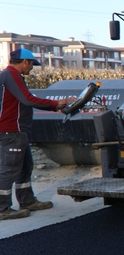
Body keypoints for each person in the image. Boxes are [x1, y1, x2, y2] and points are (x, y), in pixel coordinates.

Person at [0, 49, 75, 220]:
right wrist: (56, 103)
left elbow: (27, 99)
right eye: (32, 64)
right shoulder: (11, 75)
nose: (32, 68)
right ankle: (2, 208)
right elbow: (28, 99)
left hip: (19, 130)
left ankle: (27, 200)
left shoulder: (11, 76)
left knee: (25, 166)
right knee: (10, 169)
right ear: (25, 61)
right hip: (12, 129)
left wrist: (54, 106)